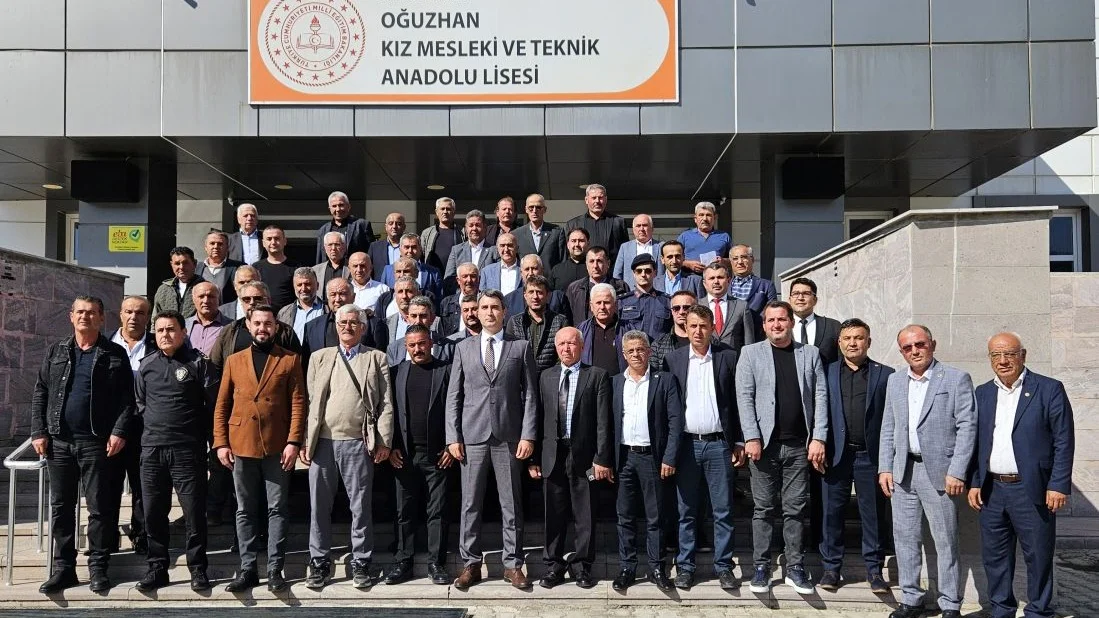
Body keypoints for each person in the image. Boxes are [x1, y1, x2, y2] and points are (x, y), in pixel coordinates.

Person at [33, 296, 134, 594]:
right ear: (71, 316)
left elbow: (127, 399)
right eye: (80, 312)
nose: (85, 317)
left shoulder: (114, 353)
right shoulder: (56, 351)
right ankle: (64, 569)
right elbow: (41, 392)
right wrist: (38, 431)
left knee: (99, 508)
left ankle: (98, 568)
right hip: (59, 442)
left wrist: (119, 431)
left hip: (96, 442)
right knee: (61, 507)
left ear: (102, 318)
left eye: (91, 313)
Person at [968, 333, 1074, 618]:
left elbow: (1063, 440)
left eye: (1009, 354)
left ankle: (1039, 611)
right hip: (992, 490)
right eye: (996, 355)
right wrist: (975, 482)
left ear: (1023, 355)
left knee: (1038, 555)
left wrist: (1058, 484)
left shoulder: (1049, 389)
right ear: (990, 359)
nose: (1002, 361)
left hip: (1032, 489)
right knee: (995, 557)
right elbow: (977, 443)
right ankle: (1002, 610)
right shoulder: (982, 393)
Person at [879, 325, 976, 618]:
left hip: (941, 473)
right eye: (907, 348)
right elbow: (888, 426)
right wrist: (885, 467)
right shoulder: (895, 381)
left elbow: (967, 427)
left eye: (920, 344)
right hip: (903, 472)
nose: (915, 351)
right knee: (905, 539)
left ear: (932, 344)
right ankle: (911, 600)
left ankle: (950, 604)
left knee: (946, 540)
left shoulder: (956, 378)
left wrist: (957, 470)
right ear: (901, 352)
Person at [445, 290, 539, 590]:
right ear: (476, 311)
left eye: (494, 307)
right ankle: (471, 564)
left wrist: (528, 434)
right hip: (472, 437)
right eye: (483, 307)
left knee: (511, 503)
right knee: (470, 503)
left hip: (508, 436)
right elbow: (454, 396)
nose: (488, 312)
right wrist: (453, 437)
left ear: (504, 311)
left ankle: (513, 565)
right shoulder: (464, 348)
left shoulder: (520, 346)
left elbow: (530, 396)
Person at [213, 304, 307, 593]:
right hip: (241, 444)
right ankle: (248, 569)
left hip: (277, 445)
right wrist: (220, 442)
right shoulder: (234, 360)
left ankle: (275, 569)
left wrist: (294, 441)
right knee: (244, 510)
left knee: (277, 508)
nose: (262, 328)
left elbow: (298, 403)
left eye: (268, 323)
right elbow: (222, 405)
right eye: (258, 323)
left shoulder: (290, 359)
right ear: (249, 325)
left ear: (276, 327)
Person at [737, 300, 828, 595]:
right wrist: (751, 437)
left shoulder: (809, 354)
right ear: (764, 325)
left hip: (799, 446)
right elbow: (744, 397)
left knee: (795, 509)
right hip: (764, 447)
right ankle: (761, 567)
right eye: (771, 320)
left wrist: (819, 437)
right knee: (763, 509)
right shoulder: (750, 353)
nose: (777, 324)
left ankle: (795, 566)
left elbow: (821, 397)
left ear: (791, 322)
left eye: (781, 319)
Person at [302, 304, 394, 590]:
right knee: (319, 507)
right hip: (323, 443)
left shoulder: (376, 358)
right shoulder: (319, 357)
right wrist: (305, 440)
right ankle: (319, 561)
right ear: (336, 326)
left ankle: (361, 561)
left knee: (360, 506)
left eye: (354, 323)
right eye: (342, 322)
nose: (347, 327)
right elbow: (310, 401)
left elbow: (386, 403)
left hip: (358, 442)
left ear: (363, 328)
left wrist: (384, 441)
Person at [133, 310, 219, 592]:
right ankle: (157, 568)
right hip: (152, 451)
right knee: (154, 513)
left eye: (171, 329)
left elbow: (213, 406)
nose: (165, 335)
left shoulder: (198, 364)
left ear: (183, 332)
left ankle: (198, 568)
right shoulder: (146, 366)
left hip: (187, 451)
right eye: (160, 330)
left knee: (193, 513)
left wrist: (213, 443)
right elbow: (141, 404)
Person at [664, 305, 744, 591]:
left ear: (713, 328)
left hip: (719, 445)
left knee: (723, 510)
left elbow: (737, 401)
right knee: (686, 511)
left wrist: (739, 441)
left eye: (703, 326)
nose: (698, 331)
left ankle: (724, 567)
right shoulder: (673, 360)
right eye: (693, 326)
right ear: (685, 328)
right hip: (686, 446)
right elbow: (669, 408)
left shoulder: (728, 357)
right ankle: (685, 567)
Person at [527, 327, 612, 589]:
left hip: (586, 458)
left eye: (572, 343)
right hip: (552, 455)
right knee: (553, 514)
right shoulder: (545, 377)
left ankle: (582, 566)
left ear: (582, 347)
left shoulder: (596, 376)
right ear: (556, 347)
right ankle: (553, 566)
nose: (566, 348)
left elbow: (603, 422)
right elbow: (537, 418)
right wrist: (533, 459)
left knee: (585, 514)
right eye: (562, 343)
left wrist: (602, 458)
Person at [818, 318, 894, 593]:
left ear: (868, 342)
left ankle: (874, 571)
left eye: (859, 338)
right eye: (847, 338)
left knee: (872, 516)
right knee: (832, 514)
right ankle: (831, 569)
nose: (853, 343)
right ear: (839, 343)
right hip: (835, 456)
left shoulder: (886, 375)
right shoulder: (826, 372)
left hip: (869, 457)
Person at [610, 331, 682, 592]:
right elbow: (607, 423)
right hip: (624, 458)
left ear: (649, 352)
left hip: (653, 458)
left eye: (641, 349)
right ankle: (627, 567)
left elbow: (675, 422)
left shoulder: (665, 381)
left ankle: (657, 567)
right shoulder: (616, 382)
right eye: (631, 351)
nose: (636, 354)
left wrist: (669, 456)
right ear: (624, 354)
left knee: (656, 517)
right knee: (625, 516)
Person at [384, 326, 455, 585]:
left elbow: (455, 408)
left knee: (437, 511)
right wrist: (391, 446)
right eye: (412, 345)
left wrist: (450, 445)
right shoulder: (396, 372)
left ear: (431, 343)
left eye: (422, 343)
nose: (417, 349)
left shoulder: (446, 370)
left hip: (438, 454)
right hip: (404, 454)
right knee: (404, 511)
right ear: (405, 347)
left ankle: (436, 563)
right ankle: (403, 561)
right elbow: (388, 412)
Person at [108, 295, 156, 556]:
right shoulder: (105, 345)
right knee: (109, 485)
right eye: (129, 312)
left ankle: (141, 535)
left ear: (147, 317)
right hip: (111, 429)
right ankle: (108, 537)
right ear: (120, 314)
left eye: (140, 313)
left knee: (142, 486)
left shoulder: (157, 345)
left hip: (145, 428)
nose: (133, 317)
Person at [210, 281, 301, 368]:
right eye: (246, 299)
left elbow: (297, 364)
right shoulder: (229, 331)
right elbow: (215, 366)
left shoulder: (285, 331)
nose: (252, 302)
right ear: (241, 303)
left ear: (269, 301)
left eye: (258, 298)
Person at [303, 277, 387, 367]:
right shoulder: (312, 327)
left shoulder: (372, 324)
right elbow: (306, 364)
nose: (337, 299)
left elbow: (379, 361)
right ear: (327, 297)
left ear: (353, 297)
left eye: (342, 294)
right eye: (333, 295)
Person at [505, 274, 568, 373]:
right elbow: (509, 354)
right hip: (522, 378)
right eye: (531, 292)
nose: (535, 297)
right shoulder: (514, 322)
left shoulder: (561, 321)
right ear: (525, 295)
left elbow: (563, 354)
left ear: (547, 295)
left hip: (550, 378)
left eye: (539, 292)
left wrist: (551, 376)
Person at [565, 184, 629, 266]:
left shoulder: (618, 222)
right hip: (582, 270)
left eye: (600, 197)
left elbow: (625, 251)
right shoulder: (573, 224)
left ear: (606, 199)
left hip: (611, 271)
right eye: (594, 198)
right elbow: (567, 253)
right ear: (586, 200)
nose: (597, 201)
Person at [566, 246, 629, 326]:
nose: (595, 266)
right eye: (591, 261)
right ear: (586, 264)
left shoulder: (621, 287)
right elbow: (568, 318)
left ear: (608, 263)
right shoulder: (574, 289)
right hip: (582, 332)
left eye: (599, 261)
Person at [701, 262, 755, 353]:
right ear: (704, 283)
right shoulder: (697, 306)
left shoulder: (741, 306)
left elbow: (749, 341)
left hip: (735, 359)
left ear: (729, 280)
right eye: (712, 278)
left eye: (720, 277)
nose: (716, 282)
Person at [577, 283, 629, 375]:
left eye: (606, 302)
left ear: (615, 304)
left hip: (620, 381)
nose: (602, 307)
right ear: (591, 306)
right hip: (591, 382)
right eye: (598, 303)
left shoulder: (628, 328)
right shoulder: (581, 330)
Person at [788, 277, 841, 366]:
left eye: (806, 293)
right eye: (796, 293)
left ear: (815, 300)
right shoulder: (780, 327)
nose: (800, 298)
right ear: (790, 299)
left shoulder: (833, 326)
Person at [618, 253, 671, 337]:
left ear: (655, 273)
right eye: (639, 271)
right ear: (634, 274)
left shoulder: (667, 301)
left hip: (660, 345)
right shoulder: (622, 302)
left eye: (648, 271)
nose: (643, 274)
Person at [445, 210, 497, 294]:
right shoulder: (456, 250)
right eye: (471, 225)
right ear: (466, 229)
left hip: (486, 297)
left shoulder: (494, 251)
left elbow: (496, 278)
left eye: (478, 225)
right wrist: (463, 294)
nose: (474, 228)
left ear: (485, 227)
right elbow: (449, 280)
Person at [502, 254, 571, 319]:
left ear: (542, 271)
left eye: (534, 268)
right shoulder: (509, 299)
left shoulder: (558, 297)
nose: (530, 273)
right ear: (521, 273)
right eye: (527, 269)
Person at [315, 190, 374, 265]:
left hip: (355, 270)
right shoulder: (323, 230)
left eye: (341, 205)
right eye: (334, 206)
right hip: (330, 271)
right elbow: (320, 256)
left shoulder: (362, 225)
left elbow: (371, 253)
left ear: (348, 206)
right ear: (329, 209)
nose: (338, 209)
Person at [385, 295, 447, 366]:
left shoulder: (448, 347)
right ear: (407, 319)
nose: (418, 321)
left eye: (423, 316)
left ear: (432, 319)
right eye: (414, 316)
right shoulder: (394, 349)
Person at [381, 234, 443, 301]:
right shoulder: (388, 270)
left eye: (414, 247)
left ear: (420, 249)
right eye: (406, 247)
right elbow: (384, 297)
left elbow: (439, 299)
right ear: (400, 249)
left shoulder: (433, 272)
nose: (410, 251)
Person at [252, 225, 300, 310]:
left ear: (284, 241)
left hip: (289, 314)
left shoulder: (296, 267)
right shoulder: (255, 268)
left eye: (277, 238)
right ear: (263, 243)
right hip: (262, 314)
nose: (273, 242)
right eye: (269, 239)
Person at [678, 202, 732, 275]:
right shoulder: (685, 236)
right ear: (695, 219)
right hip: (690, 279)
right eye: (701, 215)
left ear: (715, 217)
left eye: (708, 215)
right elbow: (674, 259)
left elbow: (733, 259)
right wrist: (688, 264)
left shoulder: (724, 236)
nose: (705, 219)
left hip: (716, 279)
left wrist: (723, 261)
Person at [514, 193, 565, 270]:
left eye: (538, 207)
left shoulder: (556, 232)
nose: (534, 211)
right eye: (531, 207)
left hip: (550, 277)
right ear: (526, 209)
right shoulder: (516, 234)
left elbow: (563, 260)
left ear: (544, 210)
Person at [650, 290, 697, 372]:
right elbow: (653, 376)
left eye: (686, 308)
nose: (681, 312)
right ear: (672, 311)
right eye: (676, 308)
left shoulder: (709, 341)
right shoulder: (658, 345)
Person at [613, 214, 664, 290]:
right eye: (638, 226)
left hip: (657, 293)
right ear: (633, 229)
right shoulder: (625, 247)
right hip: (631, 292)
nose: (641, 229)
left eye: (645, 225)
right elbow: (617, 274)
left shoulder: (661, 246)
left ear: (652, 228)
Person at [277, 267, 326, 342]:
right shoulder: (284, 313)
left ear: (317, 286)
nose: (303, 289)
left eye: (307, 284)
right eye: (299, 285)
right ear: (294, 287)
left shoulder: (328, 309)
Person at [196, 230, 244, 303]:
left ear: (227, 248)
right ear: (205, 247)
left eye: (220, 244)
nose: (216, 247)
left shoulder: (239, 267)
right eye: (212, 243)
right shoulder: (196, 268)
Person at [152, 246, 201, 318]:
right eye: (177, 263)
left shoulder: (205, 288)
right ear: (171, 264)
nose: (181, 267)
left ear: (194, 263)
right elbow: (156, 317)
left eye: (185, 263)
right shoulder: (163, 289)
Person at [728, 244, 778, 314]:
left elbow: (772, 313)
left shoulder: (767, 285)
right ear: (731, 262)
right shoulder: (724, 285)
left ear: (752, 259)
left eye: (744, 257)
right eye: (735, 258)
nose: (740, 262)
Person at [187, 282, 232, 357]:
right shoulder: (184, 325)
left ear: (218, 299)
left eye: (211, 296)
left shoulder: (231, 326)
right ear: (193, 299)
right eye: (201, 296)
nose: (206, 301)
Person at [422, 197, 465, 272]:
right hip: (433, 276)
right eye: (442, 209)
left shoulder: (463, 232)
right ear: (436, 212)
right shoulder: (427, 233)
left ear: (454, 212)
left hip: (455, 276)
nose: (445, 212)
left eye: (448, 209)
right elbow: (421, 256)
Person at [439, 263, 480, 336]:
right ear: (458, 280)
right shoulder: (446, 303)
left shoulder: (486, 302)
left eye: (473, 276)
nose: (469, 280)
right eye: (465, 276)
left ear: (479, 279)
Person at [549, 227, 591, 292]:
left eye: (581, 241)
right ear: (568, 245)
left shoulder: (595, 269)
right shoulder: (557, 270)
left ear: (588, 244)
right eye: (573, 241)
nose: (577, 244)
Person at [348, 251, 390, 316]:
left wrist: (374, 314)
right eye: (355, 266)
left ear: (371, 268)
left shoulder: (383, 289)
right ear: (349, 269)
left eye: (362, 266)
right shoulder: (345, 289)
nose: (359, 270)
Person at [368, 212, 406, 282]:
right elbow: (369, 270)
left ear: (404, 227)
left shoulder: (410, 247)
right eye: (391, 223)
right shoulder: (375, 247)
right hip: (381, 286)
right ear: (386, 227)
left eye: (398, 224)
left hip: (405, 286)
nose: (394, 226)